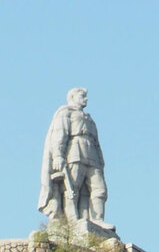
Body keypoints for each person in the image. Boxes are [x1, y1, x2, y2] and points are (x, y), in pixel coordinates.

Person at [38, 88, 111, 227]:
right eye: (82, 96)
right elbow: (59, 134)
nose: (86, 99)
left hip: (92, 156)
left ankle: (97, 219)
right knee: (72, 188)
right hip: (74, 153)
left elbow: (97, 142)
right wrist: (58, 155)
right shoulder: (65, 113)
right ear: (72, 97)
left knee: (99, 189)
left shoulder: (89, 118)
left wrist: (101, 161)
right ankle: (72, 221)